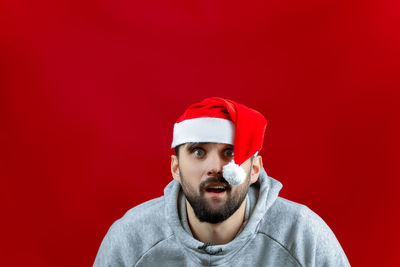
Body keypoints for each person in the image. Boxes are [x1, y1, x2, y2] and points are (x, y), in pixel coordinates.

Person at [94, 97, 350, 266]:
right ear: (175, 168)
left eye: (230, 153)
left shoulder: (304, 237)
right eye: (198, 152)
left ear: (254, 171)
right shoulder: (131, 241)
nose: (215, 168)